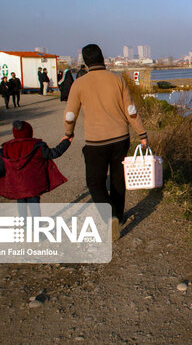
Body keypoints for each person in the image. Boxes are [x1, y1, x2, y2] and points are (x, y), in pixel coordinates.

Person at [64, 44, 148, 240]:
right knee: (118, 178)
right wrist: (142, 134)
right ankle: (118, 215)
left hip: (95, 142)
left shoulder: (79, 84)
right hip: (121, 138)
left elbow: (70, 114)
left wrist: (68, 133)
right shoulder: (117, 80)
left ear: (85, 62)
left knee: (95, 181)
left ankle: (109, 215)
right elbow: (131, 111)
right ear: (103, 58)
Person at [0, 120, 71, 217]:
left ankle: (24, 224)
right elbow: (55, 153)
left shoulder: (5, 150)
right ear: (30, 132)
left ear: (14, 133)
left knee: (21, 203)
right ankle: (37, 227)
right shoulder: (38, 146)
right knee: (34, 205)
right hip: (34, 186)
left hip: (17, 186)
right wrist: (66, 141)